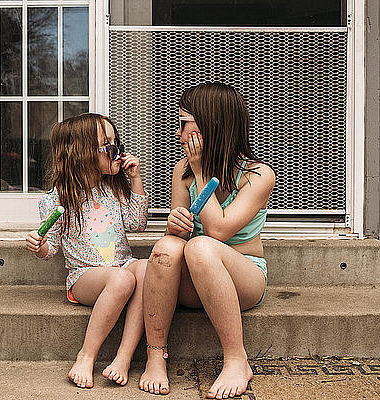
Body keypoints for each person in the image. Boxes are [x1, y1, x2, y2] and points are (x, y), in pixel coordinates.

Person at [139, 82, 275, 398]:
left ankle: (236, 359)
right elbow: (178, 238)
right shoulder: (181, 171)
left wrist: (202, 173)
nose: (178, 134)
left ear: (210, 125)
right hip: (195, 278)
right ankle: (155, 356)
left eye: (184, 124)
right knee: (166, 249)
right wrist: (175, 225)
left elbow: (218, 231)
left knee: (202, 246)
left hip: (244, 278)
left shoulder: (257, 175)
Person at [25, 113, 149, 389]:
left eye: (116, 142)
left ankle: (123, 358)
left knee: (144, 269)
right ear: (81, 153)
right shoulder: (57, 199)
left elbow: (138, 223)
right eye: (108, 144)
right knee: (123, 278)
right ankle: (87, 355)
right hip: (84, 277)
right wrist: (39, 245)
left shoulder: (114, 190)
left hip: (121, 266)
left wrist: (135, 178)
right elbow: (51, 248)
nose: (117, 151)